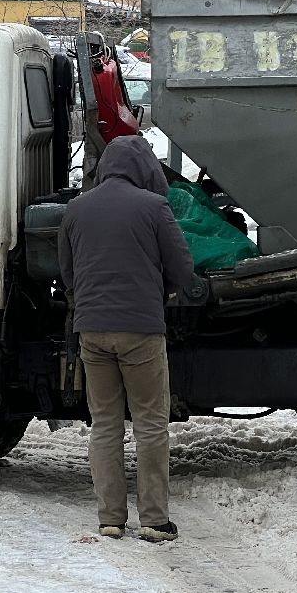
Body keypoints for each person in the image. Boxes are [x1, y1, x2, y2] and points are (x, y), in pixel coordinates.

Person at [58, 134, 195, 542]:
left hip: (92, 331)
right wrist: (160, 291)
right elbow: (183, 270)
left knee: (105, 424)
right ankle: (154, 520)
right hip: (141, 330)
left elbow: (67, 274)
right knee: (150, 423)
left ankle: (110, 518)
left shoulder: (76, 210)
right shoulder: (154, 207)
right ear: (142, 168)